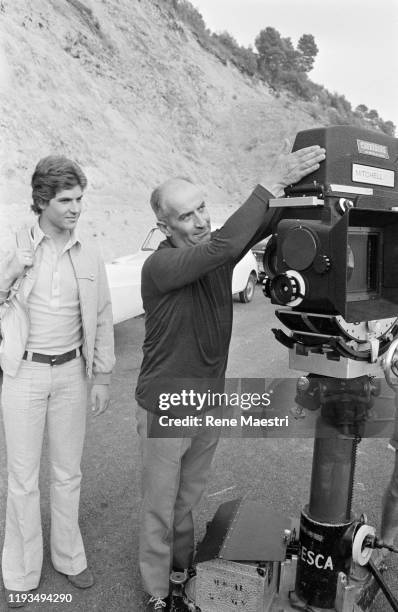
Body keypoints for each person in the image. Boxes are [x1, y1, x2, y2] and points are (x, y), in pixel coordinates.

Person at [135, 142, 326, 611]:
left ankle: (182, 568)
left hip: (206, 400)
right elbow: (227, 244)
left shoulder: (211, 247)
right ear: (164, 227)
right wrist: (266, 182)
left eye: (203, 208)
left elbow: (258, 221)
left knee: (187, 499)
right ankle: (158, 592)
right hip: (166, 402)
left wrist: (302, 188)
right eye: (187, 216)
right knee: (160, 507)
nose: (201, 220)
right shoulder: (161, 266)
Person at [0, 156, 115, 608]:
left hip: (71, 373)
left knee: (68, 473)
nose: (75, 208)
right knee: (22, 478)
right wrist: (13, 270)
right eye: (65, 200)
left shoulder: (90, 252)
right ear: (42, 201)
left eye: (79, 199)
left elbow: (103, 317)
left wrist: (102, 375)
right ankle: (22, 571)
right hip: (23, 372)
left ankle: (69, 558)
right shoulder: (13, 244)